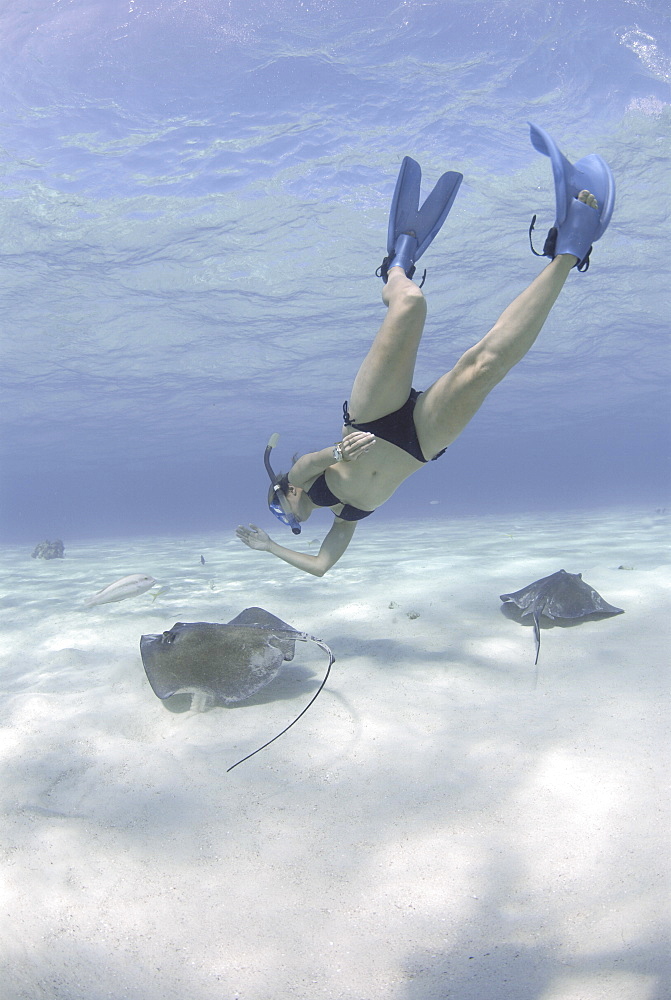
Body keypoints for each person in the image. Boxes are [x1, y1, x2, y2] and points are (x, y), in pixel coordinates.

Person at [236, 124, 615, 576]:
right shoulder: (343, 517)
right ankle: (569, 250)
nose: (287, 516)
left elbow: (312, 463)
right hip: (420, 443)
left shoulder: (301, 480)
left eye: (279, 509)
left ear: (284, 492)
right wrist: (269, 548)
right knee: (484, 366)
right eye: (282, 519)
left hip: (369, 420)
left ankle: (397, 265)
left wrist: (335, 456)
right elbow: (321, 566)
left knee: (411, 303)